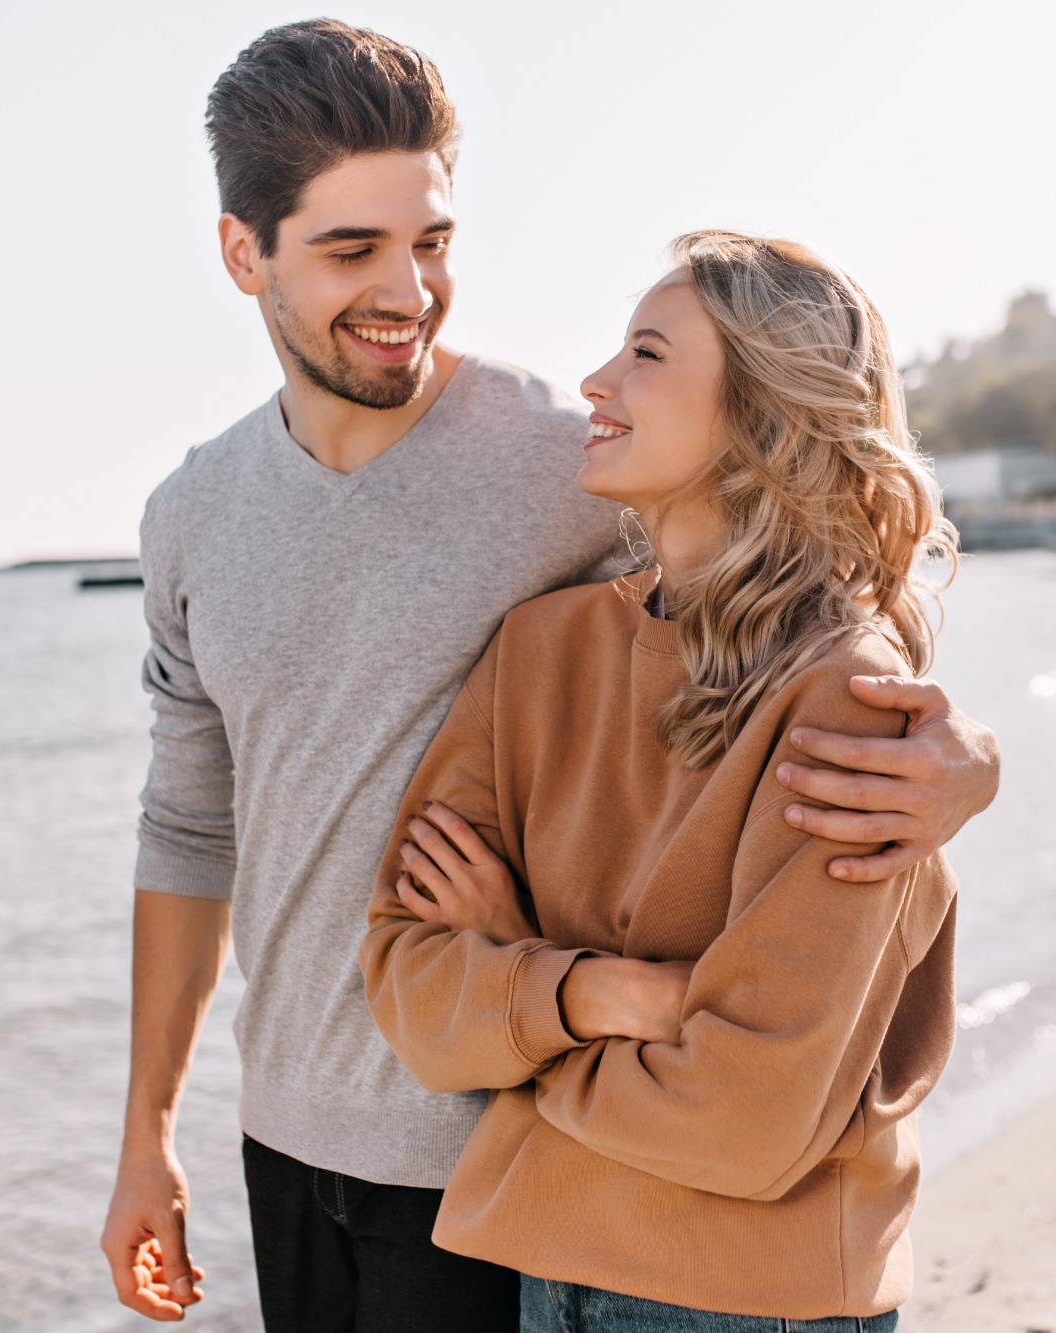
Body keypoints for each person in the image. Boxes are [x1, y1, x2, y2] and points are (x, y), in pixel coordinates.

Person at [99, 20, 1001, 1332]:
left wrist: (967, 763)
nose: (407, 289)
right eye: (352, 250)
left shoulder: (558, 461)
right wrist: (147, 1137)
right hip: (291, 1134)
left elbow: (798, 585)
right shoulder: (193, 514)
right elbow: (188, 826)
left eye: (434, 242)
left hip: (505, 1156)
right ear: (246, 254)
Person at [362, 231, 957, 1331]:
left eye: (645, 352)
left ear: (760, 414)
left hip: (753, 1301)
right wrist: (596, 992)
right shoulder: (537, 651)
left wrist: (520, 1004)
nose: (594, 381)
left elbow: (741, 1117)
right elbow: (408, 987)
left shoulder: (844, 702)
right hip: (543, 1272)